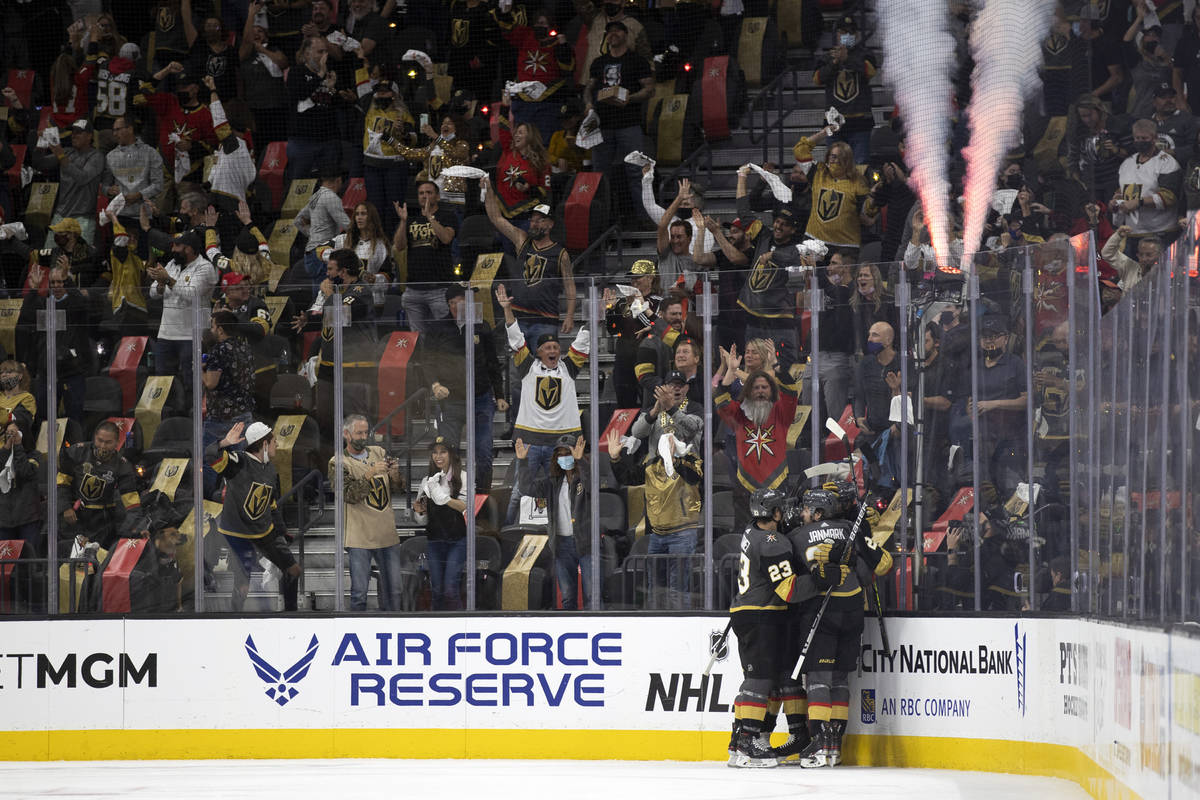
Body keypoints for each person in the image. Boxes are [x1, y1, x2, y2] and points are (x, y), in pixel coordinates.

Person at [789, 488, 892, 768]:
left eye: (807, 509)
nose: (802, 513)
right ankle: (834, 747)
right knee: (839, 680)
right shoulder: (850, 529)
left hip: (823, 611)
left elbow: (794, 580)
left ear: (818, 513)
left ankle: (818, 745)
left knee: (819, 680)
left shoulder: (798, 535)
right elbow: (877, 568)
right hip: (854, 610)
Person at [496, 282, 590, 524]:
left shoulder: (568, 368)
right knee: (520, 489)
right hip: (530, 441)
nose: (553, 351)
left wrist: (597, 315)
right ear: (538, 352)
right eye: (548, 347)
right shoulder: (527, 366)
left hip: (562, 443)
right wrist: (507, 310)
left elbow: (583, 340)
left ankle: (567, 528)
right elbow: (516, 338)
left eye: (556, 347)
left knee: (568, 485)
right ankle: (508, 531)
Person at [727, 487, 798, 769]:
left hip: (745, 612)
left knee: (755, 679)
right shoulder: (772, 541)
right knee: (760, 681)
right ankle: (748, 743)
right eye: (781, 509)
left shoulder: (750, 531)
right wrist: (819, 579)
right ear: (775, 513)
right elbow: (787, 588)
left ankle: (738, 742)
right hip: (761, 615)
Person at [608, 401, 703, 609]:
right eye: (663, 439)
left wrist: (675, 459)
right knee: (655, 589)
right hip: (657, 534)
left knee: (678, 588)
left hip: (683, 534)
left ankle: (680, 628)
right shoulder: (651, 464)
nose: (667, 442)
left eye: (672, 439)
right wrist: (615, 458)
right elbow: (629, 477)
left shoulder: (691, 461)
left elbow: (693, 478)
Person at [206, 421, 300, 612]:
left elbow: (272, 505)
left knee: (293, 570)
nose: (277, 445)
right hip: (238, 534)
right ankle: (235, 621)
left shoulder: (271, 470)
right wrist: (225, 442)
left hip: (264, 531)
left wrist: (281, 531)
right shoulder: (238, 461)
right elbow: (210, 456)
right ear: (264, 444)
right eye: (274, 441)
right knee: (242, 586)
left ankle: (291, 616)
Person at [426, 284, 508, 491]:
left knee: (483, 451)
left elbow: (492, 362)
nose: (458, 306)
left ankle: (482, 497)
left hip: (480, 398)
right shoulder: (437, 328)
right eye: (454, 303)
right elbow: (427, 361)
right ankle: (448, 496)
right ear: (449, 305)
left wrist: (499, 395)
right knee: (446, 452)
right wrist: (434, 384)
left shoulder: (481, 326)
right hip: (450, 401)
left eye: (462, 302)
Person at [715, 344, 800, 531]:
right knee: (744, 535)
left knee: (781, 534)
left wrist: (776, 364)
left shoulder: (782, 414)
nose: (760, 391)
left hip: (778, 484)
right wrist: (731, 370)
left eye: (764, 387)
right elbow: (721, 399)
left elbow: (790, 391)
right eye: (755, 388)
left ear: (772, 391)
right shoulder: (738, 416)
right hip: (745, 487)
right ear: (748, 392)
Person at [483, 175, 577, 339]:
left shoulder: (561, 253)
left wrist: (569, 316)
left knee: (545, 364)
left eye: (538, 220)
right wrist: (489, 191)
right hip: (519, 318)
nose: (533, 224)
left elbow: (569, 286)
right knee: (520, 364)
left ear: (550, 224)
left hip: (547, 320)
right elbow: (496, 218)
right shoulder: (522, 241)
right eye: (532, 220)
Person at [584, 20, 654, 225]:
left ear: (626, 34)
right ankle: (602, 223)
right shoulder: (598, 62)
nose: (612, 34)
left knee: (637, 171)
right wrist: (588, 103)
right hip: (602, 125)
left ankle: (645, 216)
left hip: (629, 123)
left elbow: (650, 89)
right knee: (600, 176)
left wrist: (629, 98)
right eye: (609, 32)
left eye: (617, 31)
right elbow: (589, 88)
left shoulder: (637, 60)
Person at [335, 414, 405, 611]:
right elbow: (348, 495)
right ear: (346, 434)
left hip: (386, 534)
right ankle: (357, 631)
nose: (364, 436)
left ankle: (393, 628)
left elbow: (400, 489)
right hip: (359, 537)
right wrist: (370, 473)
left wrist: (395, 475)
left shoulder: (379, 452)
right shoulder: (338, 462)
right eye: (359, 433)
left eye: (366, 432)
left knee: (395, 591)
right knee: (359, 592)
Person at [518, 433, 594, 610]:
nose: (564, 458)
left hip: (585, 543)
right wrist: (522, 462)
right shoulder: (553, 482)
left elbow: (592, 485)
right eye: (559, 455)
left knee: (592, 597)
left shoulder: (584, 477)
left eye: (568, 453)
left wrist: (581, 461)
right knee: (567, 597)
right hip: (561, 544)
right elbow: (525, 488)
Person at [147, 231, 219, 399]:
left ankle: (190, 416)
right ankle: (166, 415)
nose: (173, 249)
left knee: (190, 380)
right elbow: (153, 293)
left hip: (192, 335)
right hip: (166, 333)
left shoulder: (205, 267)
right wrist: (159, 283)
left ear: (189, 249)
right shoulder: (172, 264)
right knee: (162, 380)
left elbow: (191, 295)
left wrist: (168, 280)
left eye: (177, 246)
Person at [56, 421, 141, 550]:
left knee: (97, 561)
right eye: (100, 440)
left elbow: (131, 501)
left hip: (103, 521)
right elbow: (61, 483)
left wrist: (138, 526)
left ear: (117, 443)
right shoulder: (76, 452)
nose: (103, 445)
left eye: (108, 442)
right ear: (94, 437)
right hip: (73, 516)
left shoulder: (122, 465)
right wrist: (65, 508)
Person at [202, 310, 256, 498]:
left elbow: (210, 382)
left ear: (220, 329)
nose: (211, 329)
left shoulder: (219, 350)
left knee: (209, 461)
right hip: (243, 414)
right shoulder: (244, 347)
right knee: (241, 464)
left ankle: (208, 504)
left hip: (220, 418)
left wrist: (199, 369)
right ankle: (241, 502)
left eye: (212, 326)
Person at [412, 435, 470, 610]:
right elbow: (422, 519)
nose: (438, 456)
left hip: (457, 541)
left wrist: (443, 498)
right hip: (435, 541)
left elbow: (466, 507)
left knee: (451, 590)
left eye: (443, 452)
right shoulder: (426, 481)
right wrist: (419, 511)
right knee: (436, 590)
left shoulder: (464, 477)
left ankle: (461, 627)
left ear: (451, 454)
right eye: (435, 452)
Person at [813, 16, 877, 164]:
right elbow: (817, 79)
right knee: (834, 168)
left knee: (860, 167)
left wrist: (847, 58)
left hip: (860, 123)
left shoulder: (865, 54)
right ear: (836, 35)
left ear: (857, 35)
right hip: (834, 124)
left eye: (851, 32)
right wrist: (835, 62)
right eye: (843, 32)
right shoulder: (826, 58)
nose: (847, 36)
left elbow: (870, 72)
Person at [31, 118, 104, 247]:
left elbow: (82, 178)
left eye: (79, 132)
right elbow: (39, 164)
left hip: (83, 217)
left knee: (80, 260)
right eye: (73, 132)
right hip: (61, 215)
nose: (74, 135)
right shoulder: (67, 152)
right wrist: (40, 146)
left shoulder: (96, 156)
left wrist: (60, 155)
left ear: (89, 136)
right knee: (51, 257)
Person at [1112, 118, 1181, 245]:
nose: (1140, 142)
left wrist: (1139, 202)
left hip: (1161, 232)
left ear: (1154, 138)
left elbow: (1170, 197)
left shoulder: (1167, 163)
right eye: (1137, 138)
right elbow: (1122, 189)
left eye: (1144, 138)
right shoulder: (1127, 163)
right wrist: (1116, 200)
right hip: (1131, 232)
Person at [604, 259, 662, 408]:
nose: (634, 281)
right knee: (624, 404)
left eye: (638, 277)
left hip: (647, 357)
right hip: (624, 358)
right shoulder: (623, 302)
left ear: (650, 278)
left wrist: (637, 305)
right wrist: (610, 310)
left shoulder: (658, 302)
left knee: (648, 401)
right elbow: (613, 329)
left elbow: (655, 326)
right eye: (632, 278)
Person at [360, 78, 413, 235]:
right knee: (375, 207)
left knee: (394, 207)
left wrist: (402, 131)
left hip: (395, 166)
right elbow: (362, 90)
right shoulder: (369, 108)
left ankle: (395, 242)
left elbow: (414, 139)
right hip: (372, 165)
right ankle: (377, 240)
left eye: (385, 92)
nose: (381, 95)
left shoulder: (403, 114)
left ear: (394, 94)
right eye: (378, 92)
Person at [238, 2, 290, 146]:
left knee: (279, 145)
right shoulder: (245, 54)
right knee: (259, 144)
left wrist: (262, 50)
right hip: (255, 109)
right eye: (253, 31)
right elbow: (247, 40)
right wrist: (251, 14)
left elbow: (283, 63)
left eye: (260, 31)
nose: (256, 33)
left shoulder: (274, 49)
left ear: (266, 35)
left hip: (278, 107)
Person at [101, 115, 164, 228]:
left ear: (130, 129)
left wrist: (139, 195)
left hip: (144, 216)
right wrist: (109, 190)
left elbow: (158, 184)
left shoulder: (150, 153)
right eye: (113, 130)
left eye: (118, 130)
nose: (114, 134)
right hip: (119, 215)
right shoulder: (110, 156)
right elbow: (104, 186)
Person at [295, 163, 350, 289]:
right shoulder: (331, 197)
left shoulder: (315, 197)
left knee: (319, 295)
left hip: (310, 254)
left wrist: (313, 234)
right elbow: (347, 225)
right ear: (338, 180)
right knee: (326, 295)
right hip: (322, 254)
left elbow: (298, 221)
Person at [1101, 225, 1163, 292]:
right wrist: (1118, 236)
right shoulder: (1130, 268)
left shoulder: (1167, 275)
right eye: (1141, 254)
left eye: (1149, 255)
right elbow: (1107, 254)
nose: (1144, 259)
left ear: (1160, 255)